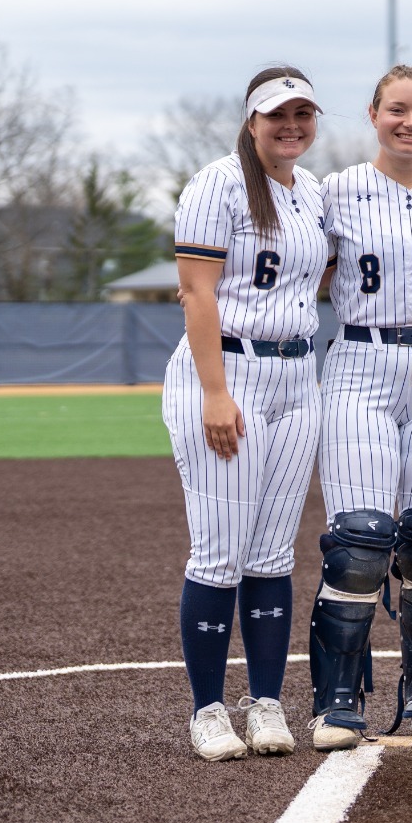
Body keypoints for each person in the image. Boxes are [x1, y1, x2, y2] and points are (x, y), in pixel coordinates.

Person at [308, 65, 412, 749]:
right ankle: (336, 700)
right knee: (360, 540)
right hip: (361, 360)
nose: (411, 122)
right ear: (373, 114)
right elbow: (303, 269)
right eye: (398, 109)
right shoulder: (335, 191)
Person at [165, 66, 329, 761]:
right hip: (229, 371)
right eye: (276, 115)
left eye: (302, 114)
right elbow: (196, 292)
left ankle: (265, 702)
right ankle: (207, 709)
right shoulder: (219, 183)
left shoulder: (311, 191)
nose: (290, 126)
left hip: (297, 374)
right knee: (220, 552)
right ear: (252, 120)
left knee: (271, 554)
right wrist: (214, 391)